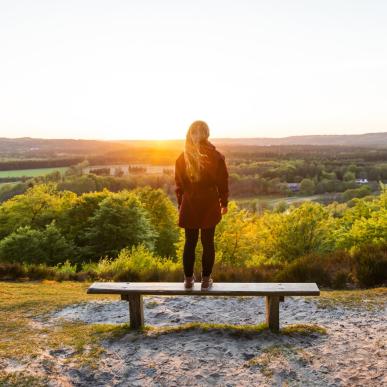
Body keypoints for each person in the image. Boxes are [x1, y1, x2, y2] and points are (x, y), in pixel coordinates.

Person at [174, 120, 229, 290]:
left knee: (190, 243)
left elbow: (179, 186)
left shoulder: (181, 158)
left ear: (190, 134)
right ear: (207, 134)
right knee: (208, 242)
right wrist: (224, 203)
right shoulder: (217, 156)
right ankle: (206, 280)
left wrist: (180, 205)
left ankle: (188, 281)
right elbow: (223, 183)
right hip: (210, 203)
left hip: (189, 203)